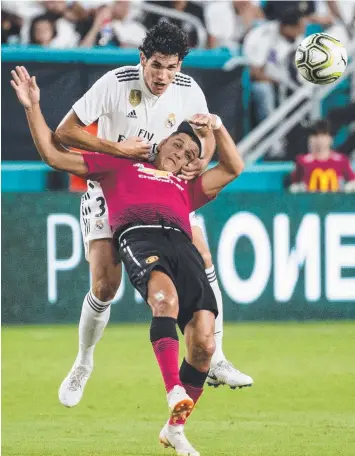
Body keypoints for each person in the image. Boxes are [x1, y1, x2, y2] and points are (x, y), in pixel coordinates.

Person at [11, 64, 245, 456]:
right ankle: (134, 377)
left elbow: (234, 167)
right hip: (139, 236)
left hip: (179, 244)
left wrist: (217, 128)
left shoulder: (184, 183)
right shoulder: (120, 161)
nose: (183, 155)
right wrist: (32, 106)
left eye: (190, 154)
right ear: (165, 139)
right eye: (179, 146)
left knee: (202, 341)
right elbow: (55, 152)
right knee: (136, 294)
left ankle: (178, 425)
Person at [54, 22, 253, 407]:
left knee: (204, 255)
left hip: (167, 192)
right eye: (157, 65)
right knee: (104, 287)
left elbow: (206, 134)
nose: (163, 76)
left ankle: (218, 358)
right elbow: (65, 131)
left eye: (172, 67)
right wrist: (117, 149)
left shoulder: (188, 89)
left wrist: (201, 161)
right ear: (142, 58)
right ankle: (83, 362)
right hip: (113, 188)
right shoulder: (115, 83)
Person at [289, 120, 355, 193]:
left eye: (323, 135)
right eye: (315, 135)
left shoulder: (341, 160)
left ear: (330, 138)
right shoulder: (302, 161)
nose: (319, 139)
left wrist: (348, 188)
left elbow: (352, 180)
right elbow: (293, 183)